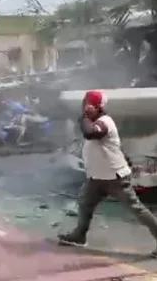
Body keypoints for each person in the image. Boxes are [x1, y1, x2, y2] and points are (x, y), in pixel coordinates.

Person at [58, 90, 157, 257]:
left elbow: (90, 133)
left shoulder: (105, 122)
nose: (84, 107)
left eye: (86, 104)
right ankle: (80, 235)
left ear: (94, 106)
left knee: (136, 209)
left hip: (114, 178)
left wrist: (83, 118)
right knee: (85, 204)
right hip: (96, 178)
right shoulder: (94, 121)